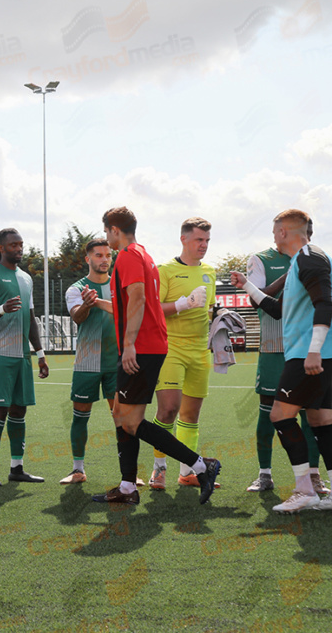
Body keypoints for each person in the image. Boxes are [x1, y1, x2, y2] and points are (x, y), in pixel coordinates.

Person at [93, 207, 221, 505]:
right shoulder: (144, 256)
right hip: (148, 345)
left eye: (107, 232)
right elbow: (134, 304)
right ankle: (127, 487)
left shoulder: (128, 256)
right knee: (119, 415)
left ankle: (202, 465)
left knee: (132, 422)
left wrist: (128, 346)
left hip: (142, 347)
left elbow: (137, 298)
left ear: (114, 229)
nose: (107, 239)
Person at [230, 209, 332, 513]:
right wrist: (247, 285)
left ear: (284, 232)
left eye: (275, 232)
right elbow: (277, 309)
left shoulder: (309, 257)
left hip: (307, 355)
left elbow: (325, 303)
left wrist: (313, 349)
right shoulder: (307, 259)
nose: (274, 237)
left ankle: (304, 490)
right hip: (321, 354)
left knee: (280, 416)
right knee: (321, 420)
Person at [148, 218, 218, 490]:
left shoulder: (210, 271)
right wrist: (183, 304)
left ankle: (187, 471)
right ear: (184, 239)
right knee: (168, 410)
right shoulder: (164, 270)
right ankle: (159, 468)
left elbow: (210, 308)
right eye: (199, 240)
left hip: (201, 349)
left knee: (190, 415)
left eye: (207, 241)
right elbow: (153, 310)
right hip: (171, 347)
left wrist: (222, 317)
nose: (204, 245)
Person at [0, 229, 48, 487]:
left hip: (21, 356)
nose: (19, 248)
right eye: (13, 244)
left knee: (19, 409)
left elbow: (30, 319)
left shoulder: (26, 278)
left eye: (21, 244)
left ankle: (17, 468)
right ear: (0, 247)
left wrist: (40, 354)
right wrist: (1, 309)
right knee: (0, 409)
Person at [60, 238, 116, 485]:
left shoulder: (119, 285)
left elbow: (129, 312)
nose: (104, 260)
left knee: (123, 418)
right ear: (88, 259)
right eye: (98, 255)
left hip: (117, 361)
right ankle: (78, 470)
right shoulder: (76, 289)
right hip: (87, 361)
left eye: (107, 255)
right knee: (80, 415)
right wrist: (87, 303)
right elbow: (77, 318)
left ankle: (130, 472)